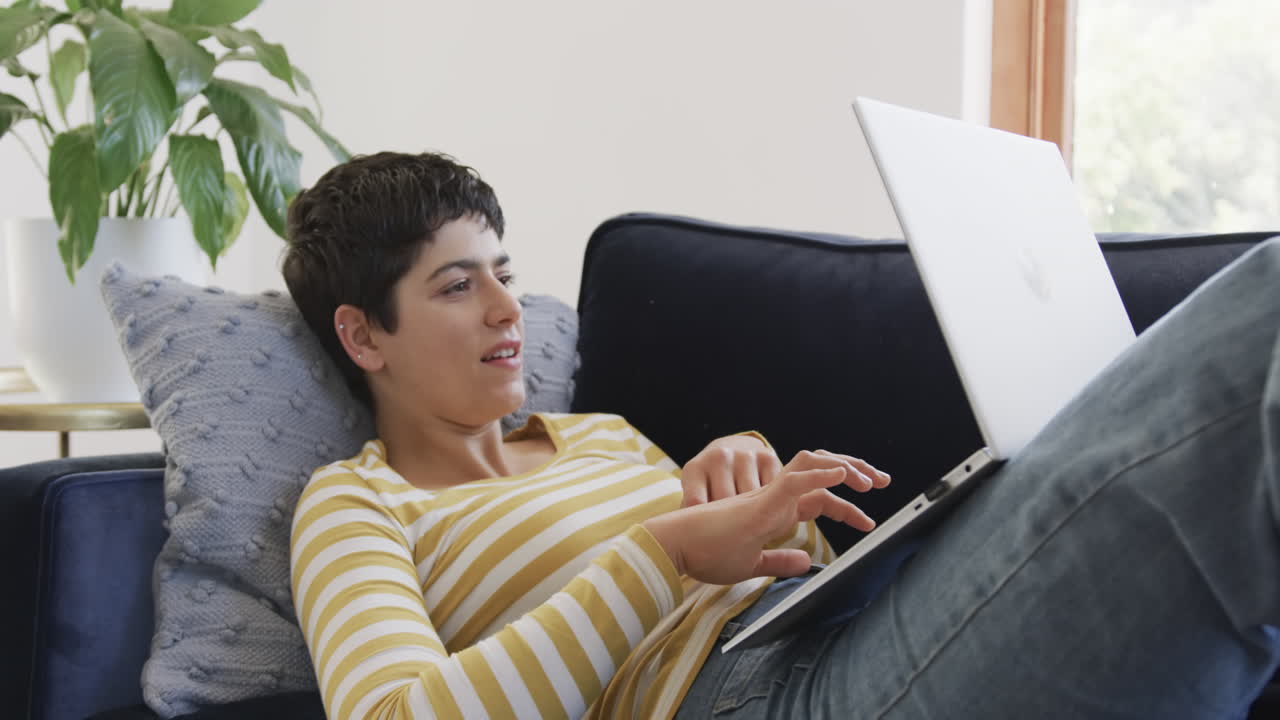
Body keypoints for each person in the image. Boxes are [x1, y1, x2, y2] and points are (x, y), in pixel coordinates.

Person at [282, 151, 1280, 719]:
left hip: (826, 633)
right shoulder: (357, 503)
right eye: (459, 286)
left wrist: (769, 519)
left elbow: (749, 583)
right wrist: (666, 550)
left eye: (504, 270)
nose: (509, 308)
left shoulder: (598, 438)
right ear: (363, 333)